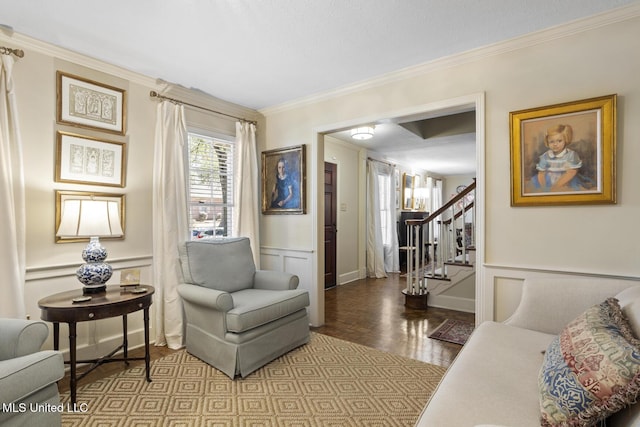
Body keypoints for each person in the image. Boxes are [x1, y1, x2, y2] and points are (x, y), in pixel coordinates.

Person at [531, 124, 584, 192]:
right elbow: (541, 173)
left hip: (566, 180)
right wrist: (544, 187)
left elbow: (571, 172)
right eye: (552, 141)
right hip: (547, 181)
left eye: (559, 141)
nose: (555, 144)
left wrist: (557, 186)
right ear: (547, 142)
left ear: (566, 140)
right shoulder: (545, 156)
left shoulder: (571, 155)